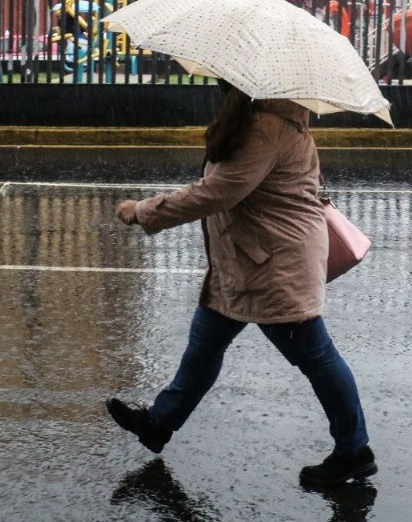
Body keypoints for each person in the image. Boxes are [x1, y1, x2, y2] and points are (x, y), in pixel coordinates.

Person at [106, 83, 375, 486]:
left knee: (316, 356)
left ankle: (354, 449)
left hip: (274, 266)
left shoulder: (266, 127)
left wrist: (143, 211)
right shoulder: (260, 119)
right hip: (246, 260)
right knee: (205, 344)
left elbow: (218, 191)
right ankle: (158, 423)